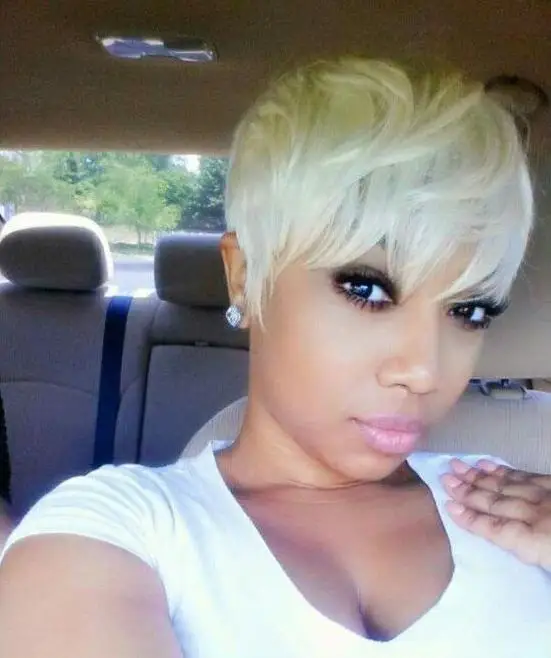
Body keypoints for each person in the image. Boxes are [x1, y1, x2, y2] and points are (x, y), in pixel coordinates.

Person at [0, 57, 550, 657]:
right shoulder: (117, 528)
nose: (423, 371)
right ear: (244, 274)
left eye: (470, 311)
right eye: (366, 290)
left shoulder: (521, 510)